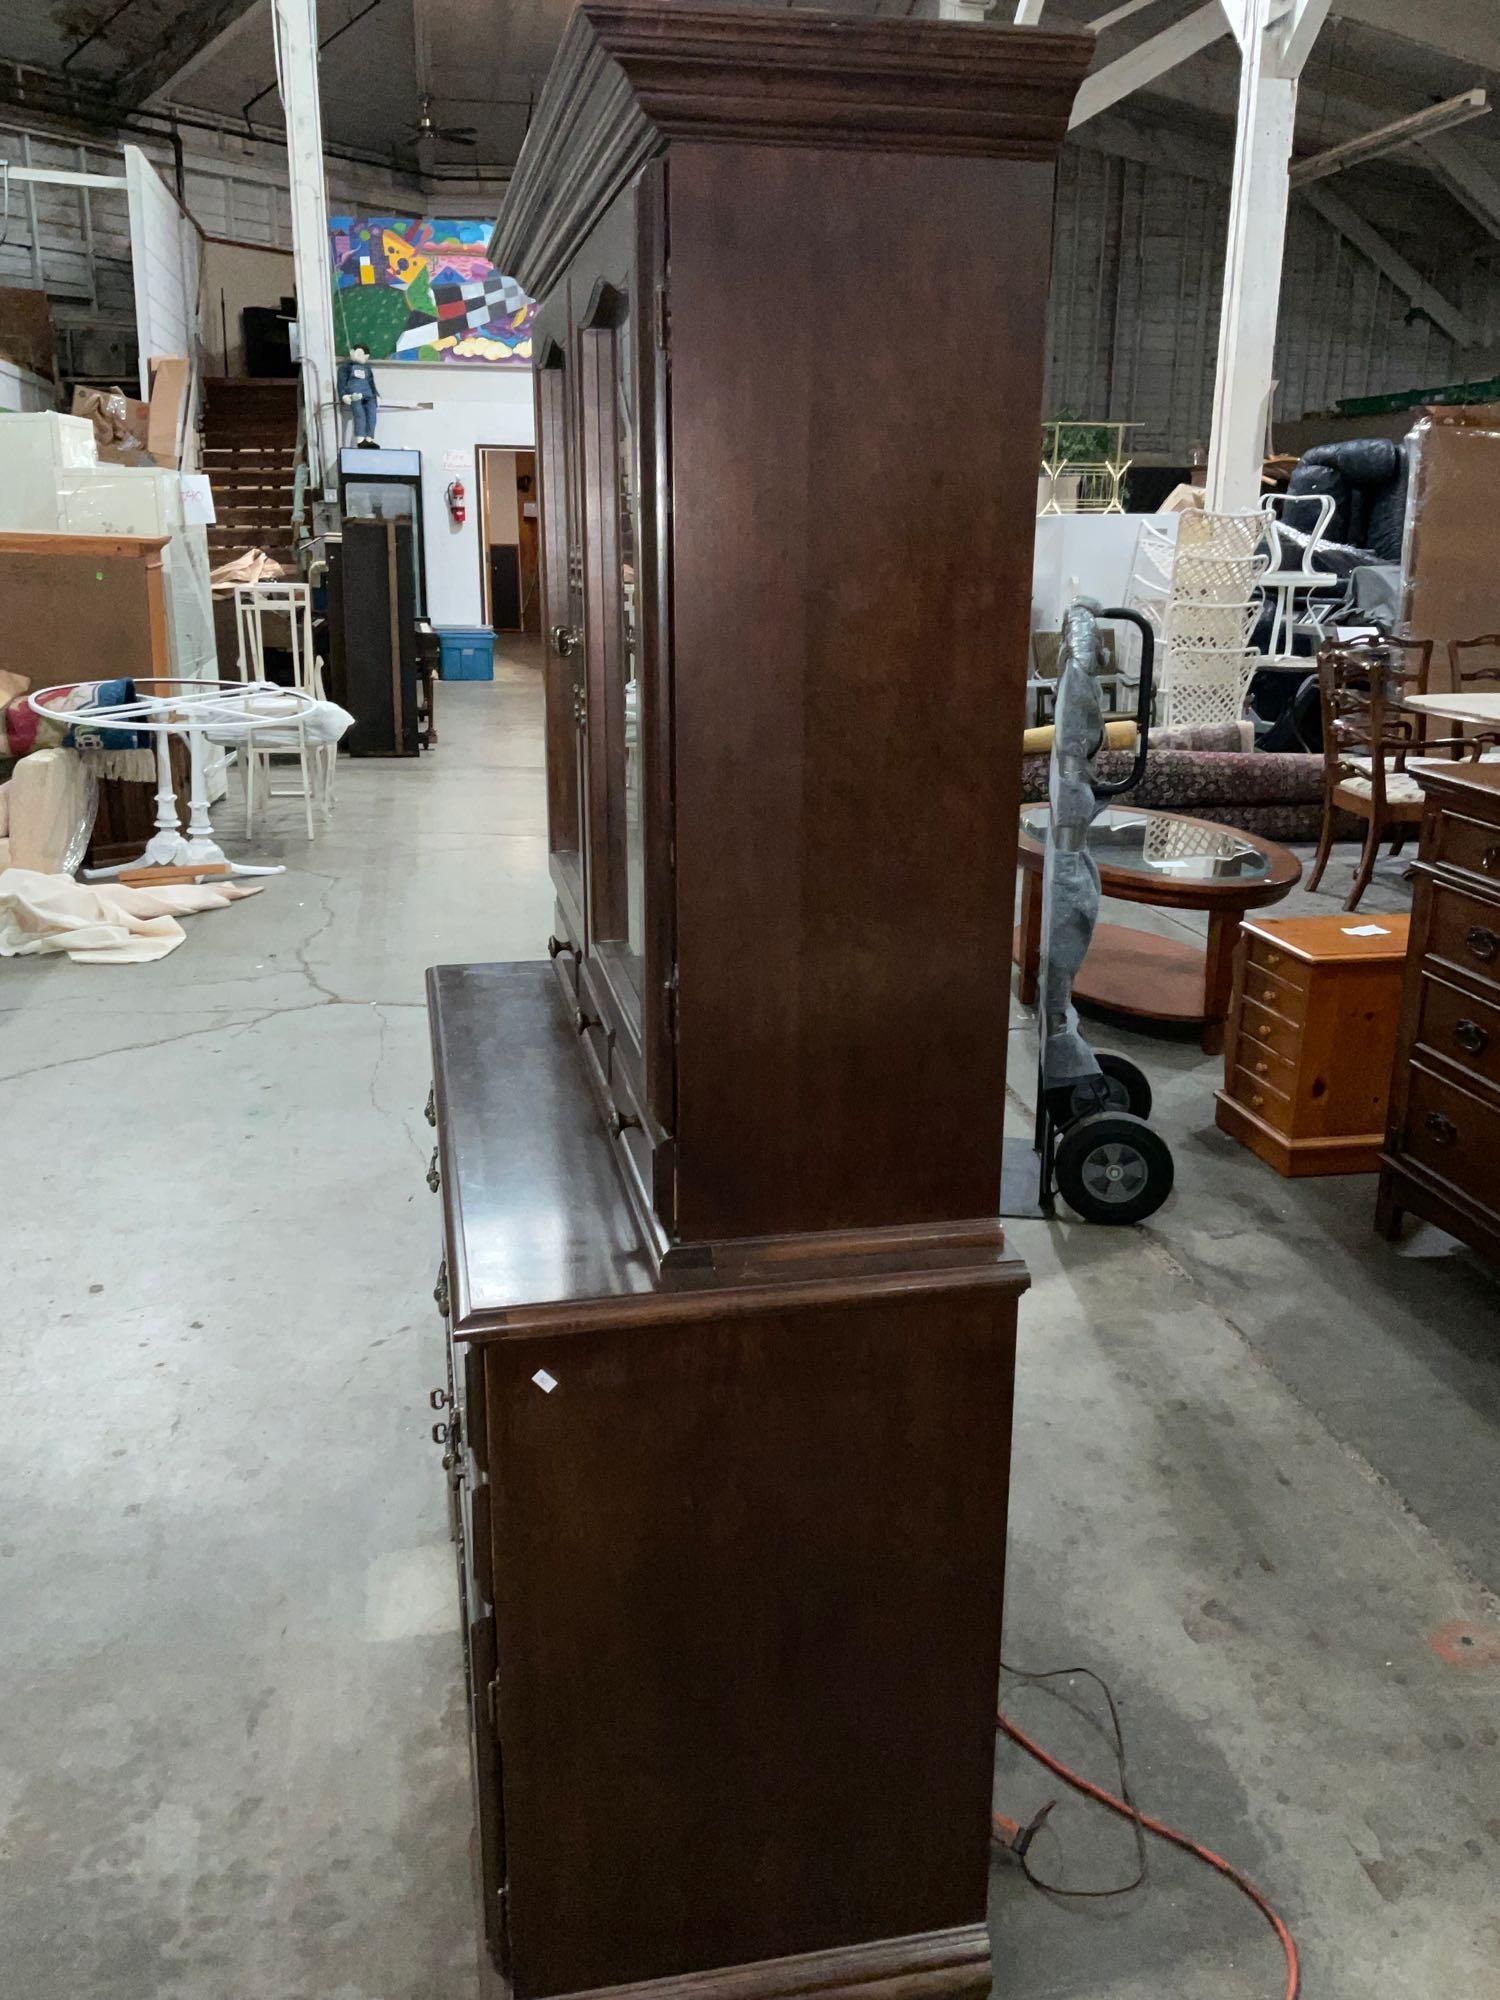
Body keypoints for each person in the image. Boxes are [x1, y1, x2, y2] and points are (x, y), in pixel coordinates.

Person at [338, 345, 379, 446]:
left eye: (364, 355)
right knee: (359, 415)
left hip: (369, 396)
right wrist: (343, 395)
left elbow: (371, 383)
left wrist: (376, 395)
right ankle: (360, 440)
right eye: (358, 353)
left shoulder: (368, 369)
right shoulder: (345, 368)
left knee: (372, 415)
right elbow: (341, 383)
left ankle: (369, 439)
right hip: (355, 395)